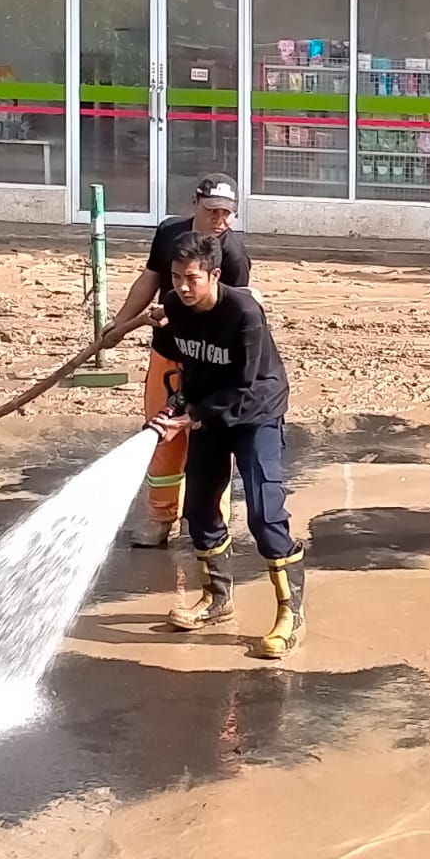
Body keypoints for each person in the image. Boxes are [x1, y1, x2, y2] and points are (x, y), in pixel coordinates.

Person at [132, 229, 306, 659]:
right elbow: (177, 368)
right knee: (199, 510)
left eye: (191, 278)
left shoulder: (243, 312)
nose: (182, 287)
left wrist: (192, 416)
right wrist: (175, 409)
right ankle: (217, 599)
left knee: (265, 514)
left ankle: (290, 614)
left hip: (255, 414)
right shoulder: (174, 306)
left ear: (214, 274)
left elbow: (245, 386)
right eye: (175, 277)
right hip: (206, 410)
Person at [102, 174, 251, 546]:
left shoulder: (232, 257)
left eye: (226, 213)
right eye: (211, 210)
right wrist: (120, 325)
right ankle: (160, 516)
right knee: (162, 433)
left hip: (211, 362)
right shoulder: (169, 234)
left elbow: (235, 314)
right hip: (168, 355)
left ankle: (206, 519)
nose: (219, 219)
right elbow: (148, 280)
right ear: (194, 205)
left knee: (211, 438)